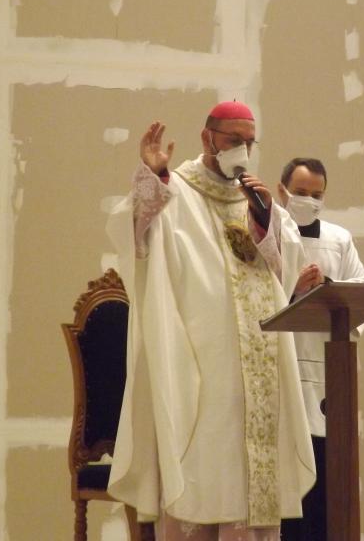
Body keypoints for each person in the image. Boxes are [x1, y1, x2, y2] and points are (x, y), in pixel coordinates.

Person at [106, 101, 316, 540]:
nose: (242, 150)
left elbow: (287, 271)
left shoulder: (255, 199)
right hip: (202, 364)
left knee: (252, 481)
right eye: (233, 140)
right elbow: (133, 236)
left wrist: (265, 223)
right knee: (202, 472)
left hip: (258, 363)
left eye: (249, 142)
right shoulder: (176, 190)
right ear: (207, 138)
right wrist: (151, 179)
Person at [275, 158, 364, 541]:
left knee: (325, 487)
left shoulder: (338, 239)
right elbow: (253, 294)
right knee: (290, 488)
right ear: (282, 190)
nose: (309, 201)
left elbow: (363, 286)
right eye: (301, 193)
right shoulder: (267, 235)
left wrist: (327, 285)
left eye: (317, 195)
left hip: (327, 372)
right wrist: (293, 287)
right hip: (282, 368)